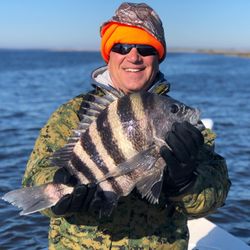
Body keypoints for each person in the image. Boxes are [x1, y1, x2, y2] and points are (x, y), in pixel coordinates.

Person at [22, 2, 231, 249]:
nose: (134, 56)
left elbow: (215, 196)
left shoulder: (182, 124)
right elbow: (33, 181)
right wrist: (58, 193)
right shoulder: (71, 115)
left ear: (158, 58)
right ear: (109, 54)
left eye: (145, 48)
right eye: (122, 47)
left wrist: (187, 182)